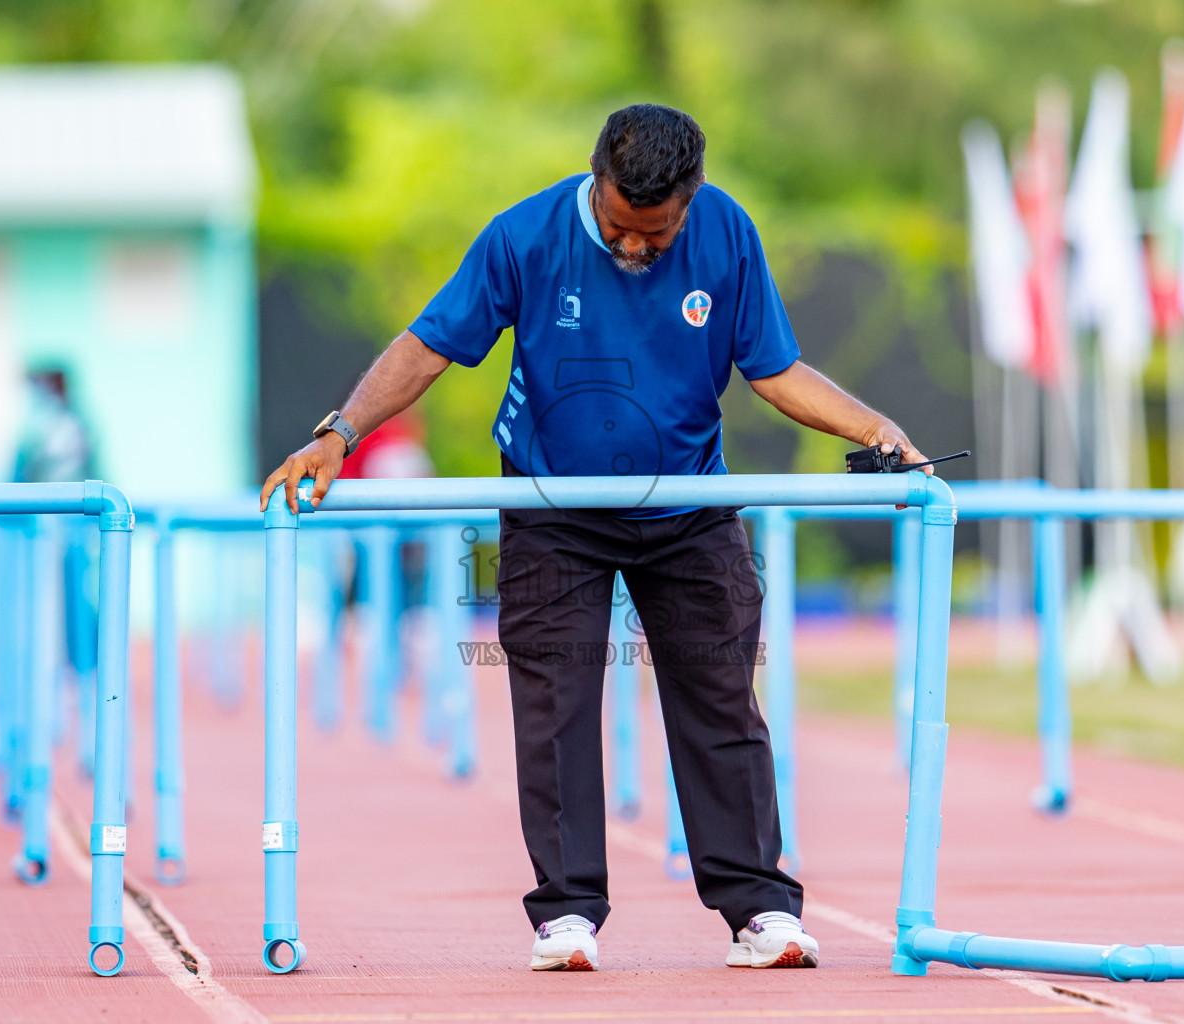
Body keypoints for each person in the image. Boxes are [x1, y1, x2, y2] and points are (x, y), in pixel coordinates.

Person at [262, 104, 933, 972]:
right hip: (554, 505)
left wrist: (874, 427)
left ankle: (759, 908)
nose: (637, 248)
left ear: (688, 204)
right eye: (621, 226)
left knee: (722, 699)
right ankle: (567, 912)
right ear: (595, 178)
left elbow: (772, 369)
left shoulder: (726, 231)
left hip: (688, 504)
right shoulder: (524, 237)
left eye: (656, 234)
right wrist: (338, 434)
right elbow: (429, 345)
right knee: (554, 704)